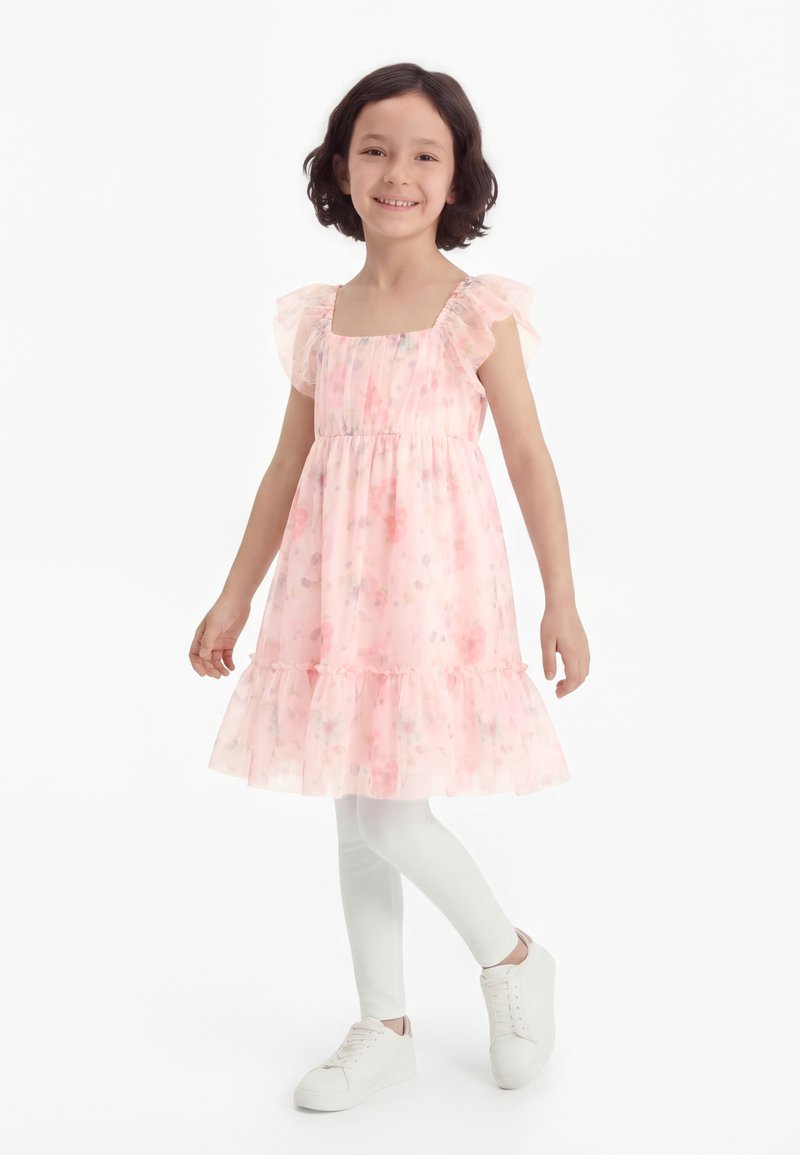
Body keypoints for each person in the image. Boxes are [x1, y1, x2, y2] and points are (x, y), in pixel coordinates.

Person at [189, 62, 590, 1113]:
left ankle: (512, 957)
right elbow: (288, 465)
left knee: (393, 820)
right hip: (333, 590)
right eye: (373, 150)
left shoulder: (474, 310)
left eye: (423, 155)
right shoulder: (323, 319)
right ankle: (385, 1024)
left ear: (457, 177)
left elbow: (529, 457)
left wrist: (560, 596)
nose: (396, 173)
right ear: (339, 168)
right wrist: (235, 596)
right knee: (353, 816)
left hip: (430, 592)